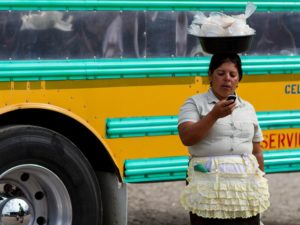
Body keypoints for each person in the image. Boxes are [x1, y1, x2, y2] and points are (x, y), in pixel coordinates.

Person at [178, 53, 270, 225]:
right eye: (221, 73)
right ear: (210, 75)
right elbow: (187, 137)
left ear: (238, 80)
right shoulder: (194, 103)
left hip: (245, 189)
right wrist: (213, 115)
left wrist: (262, 182)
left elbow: (256, 150)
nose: (227, 79)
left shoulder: (248, 108)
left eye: (232, 75)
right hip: (208, 187)